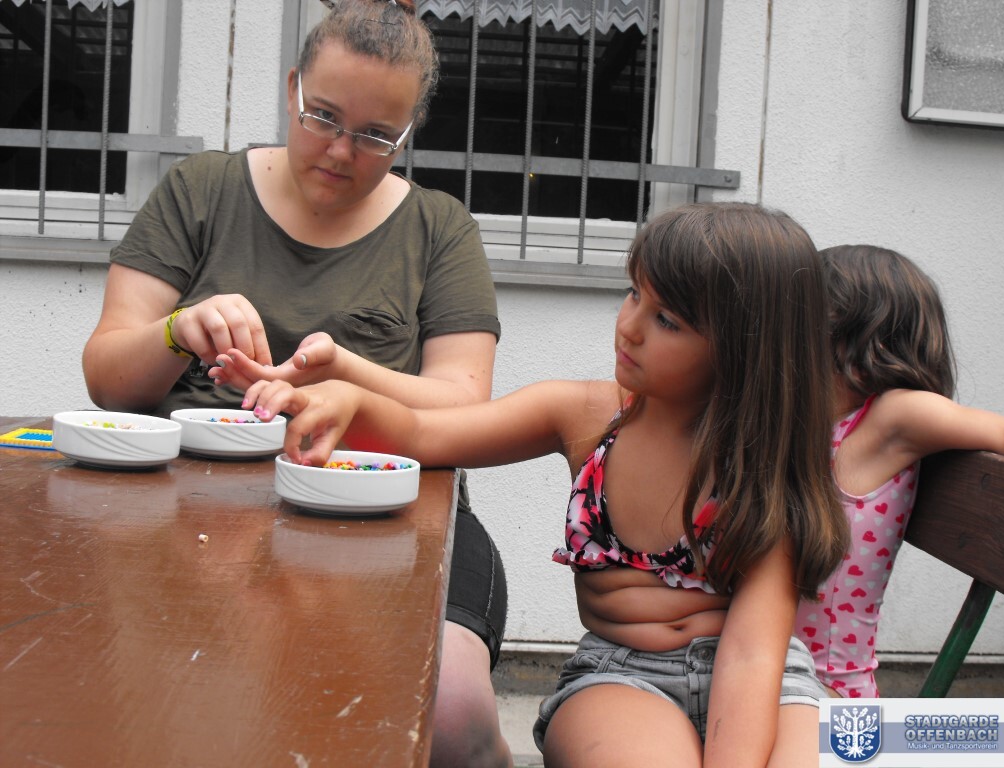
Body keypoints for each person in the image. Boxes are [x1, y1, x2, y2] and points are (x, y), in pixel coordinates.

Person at [220, 202, 851, 767]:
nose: (629, 326)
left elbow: (752, 655)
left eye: (667, 319)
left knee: (844, 754)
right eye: (633, 294)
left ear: (745, 349)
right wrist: (346, 397)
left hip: (772, 680)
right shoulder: (585, 416)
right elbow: (423, 433)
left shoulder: (763, 466)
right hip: (621, 678)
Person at [81, 2, 513, 765]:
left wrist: (345, 369)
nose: (341, 150)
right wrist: (177, 328)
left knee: (451, 713)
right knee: (127, 680)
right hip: (187, 516)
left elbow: (462, 404)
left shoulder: (439, 228)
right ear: (292, 90)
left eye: (376, 135)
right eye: (323, 117)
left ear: (409, 132)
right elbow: (107, 380)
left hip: (396, 520)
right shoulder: (201, 190)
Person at [794, 244, 1004, 699]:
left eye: (804, 320)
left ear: (871, 341)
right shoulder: (804, 422)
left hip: (830, 696)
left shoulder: (894, 416)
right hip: (765, 675)